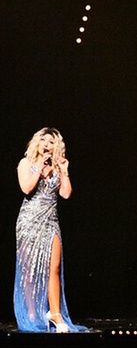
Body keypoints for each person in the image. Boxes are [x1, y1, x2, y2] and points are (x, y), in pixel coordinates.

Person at [14, 127, 83, 333]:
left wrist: (64, 171)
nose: (46, 144)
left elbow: (66, 194)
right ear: (37, 142)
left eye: (51, 141)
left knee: (53, 268)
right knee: (29, 270)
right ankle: (32, 313)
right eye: (43, 139)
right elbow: (26, 188)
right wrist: (37, 166)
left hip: (51, 221)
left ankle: (55, 314)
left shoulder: (56, 167)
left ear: (56, 147)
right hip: (29, 221)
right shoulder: (26, 163)